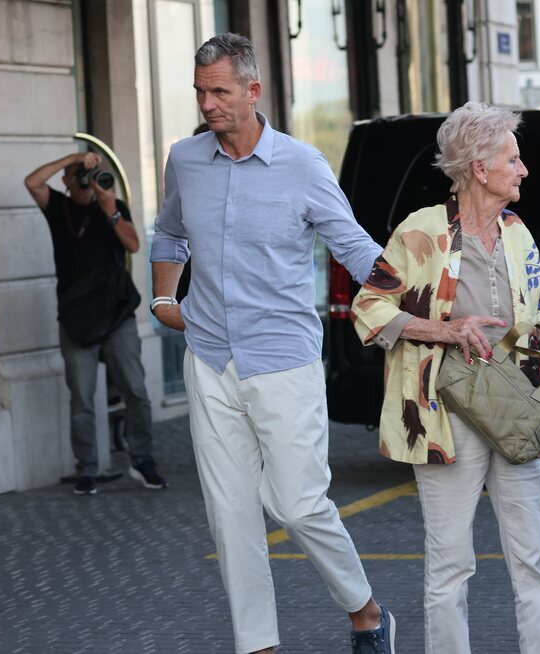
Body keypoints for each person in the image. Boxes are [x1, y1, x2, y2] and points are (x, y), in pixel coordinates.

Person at [149, 33, 393, 654]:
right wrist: (162, 301)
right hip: (209, 358)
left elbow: (355, 247)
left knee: (298, 503)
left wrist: (425, 298)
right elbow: (170, 234)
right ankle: (257, 645)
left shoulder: (302, 164)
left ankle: (366, 612)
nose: (207, 103)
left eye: (220, 91)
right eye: (201, 91)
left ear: (253, 92)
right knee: (229, 518)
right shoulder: (185, 159)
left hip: (283, 360)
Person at [350, 101, 540, 654]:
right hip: (443, 414)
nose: (523, 170)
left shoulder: (518, 234)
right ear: (479, 168)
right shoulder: (420, 231)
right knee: (449, 564)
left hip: (511, 409)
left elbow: (530, 319)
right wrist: (446, 331)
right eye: (512, 160)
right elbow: (368, 309)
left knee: (532, 558)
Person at [24, 152, 167, 496]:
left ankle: (143, 460)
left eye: (93, 175)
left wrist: (109, 208)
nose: (88, 182)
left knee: (135, 389)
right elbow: (32, 181)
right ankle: (86, 468)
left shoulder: (112, 206)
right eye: (80, 177)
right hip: (77, 321)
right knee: (82, 399)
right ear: (67, 181)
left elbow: (133, 244)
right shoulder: (58, 208)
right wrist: (74, 159)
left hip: (116, 314)